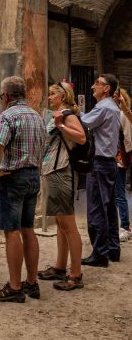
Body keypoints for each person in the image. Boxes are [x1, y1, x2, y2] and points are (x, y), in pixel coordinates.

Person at [0, 76, 46, 303]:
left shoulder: (7, 116)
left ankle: (14, 287)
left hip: (13, 178)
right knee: (28, 229)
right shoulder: (37, 116)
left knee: (12, 231)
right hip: (33, 175)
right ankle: (31, 282)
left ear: (5, 96)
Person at [38, 82, 86, 290]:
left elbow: (82, 138)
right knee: (60, 223)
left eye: (52, 94)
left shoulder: (67, 115)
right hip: (52, 170)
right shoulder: (58, 114)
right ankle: (59, 266)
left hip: (61, 170)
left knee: (68, 225)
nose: (49, 98)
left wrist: (61, 126)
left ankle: (75, 274)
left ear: (63, 96)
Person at [80, 73, 121, 267]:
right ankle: (113, 249)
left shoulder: (103, 107)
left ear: (107, 89)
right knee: (110, 209)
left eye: (97, 83)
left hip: (100, 163)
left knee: (96, 208)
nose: (92, 86)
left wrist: (71, 112)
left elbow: (85, 122)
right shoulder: (113, 107)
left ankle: (99, 254)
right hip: (110, 163)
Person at [114, 88, 132, 241]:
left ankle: (125, 226)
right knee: (115, 194)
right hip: (114, 157)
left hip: (119, 158)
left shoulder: (123, 114)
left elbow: (126, 137)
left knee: (119, 194)